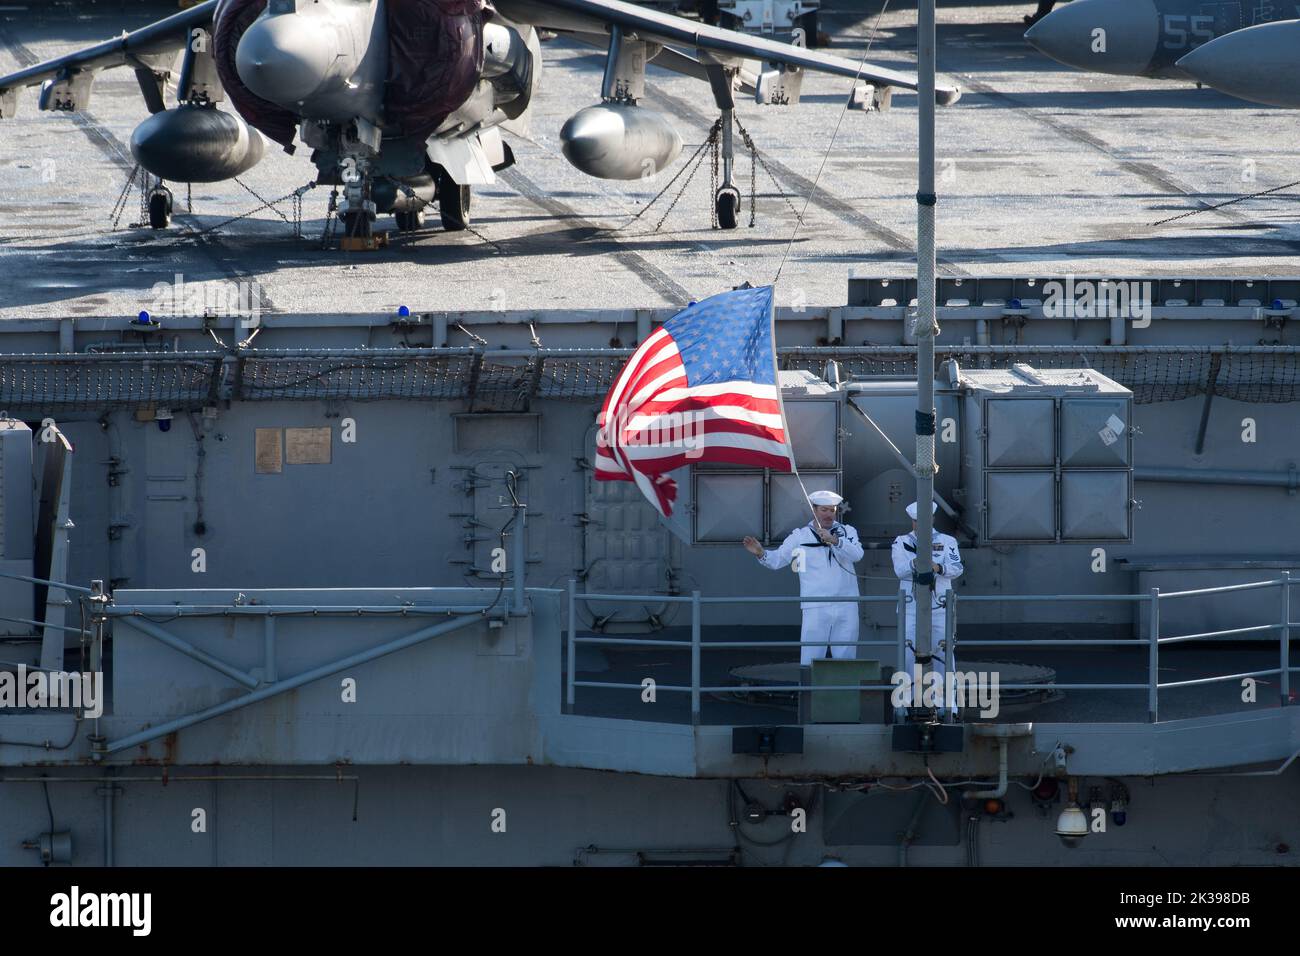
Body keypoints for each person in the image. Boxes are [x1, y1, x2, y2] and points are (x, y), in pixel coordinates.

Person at [742, 490, 864, 666]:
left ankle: (845, 693)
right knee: (811, 657)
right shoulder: (800, 536)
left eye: (832, 510)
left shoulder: (848, 531)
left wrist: (836, 541)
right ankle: (810, 693)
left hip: (847, 603)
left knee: (846, 656)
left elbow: (857, 554)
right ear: (814, 510)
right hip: (815, 605)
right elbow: (777, 560)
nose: (829, 514)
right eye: (824, 510)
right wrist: (761, 553)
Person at [892, 500, 963, 713]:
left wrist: (938, 567)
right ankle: (905, 704)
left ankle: (947, 705)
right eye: (915, 521)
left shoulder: (947, 541)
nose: (917, 524)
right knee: (907, 654)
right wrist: (917, 562)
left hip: (940, 606)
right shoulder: (901, 542)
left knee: (943, 653)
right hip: (911, 608)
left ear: (931, 519)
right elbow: (899, 570)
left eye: (922, 520)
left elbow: (957, 567)